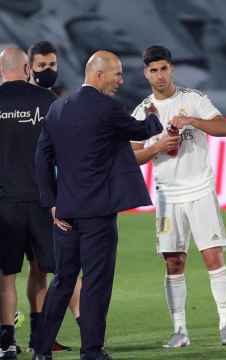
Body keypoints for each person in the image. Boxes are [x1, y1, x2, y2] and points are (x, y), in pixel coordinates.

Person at [32, 50, 162, 360]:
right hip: (99, 215)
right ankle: (91, 350)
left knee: (63, 280)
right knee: (95, 282)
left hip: (65, 213)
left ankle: (40, 350)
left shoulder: (58, 108)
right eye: (116, 74)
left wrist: (51, 203)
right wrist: (154, 115)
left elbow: (41, 158)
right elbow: (143, 131)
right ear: (98, 74)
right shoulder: (108, 108)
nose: (121, 80)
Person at [130, 45, 226, 348]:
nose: (160, 75)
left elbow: (222, 128)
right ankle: (180, 330)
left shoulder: (192, 99)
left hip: (200, 190)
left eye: (164, 68)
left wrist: (191, 120)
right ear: (146, 73)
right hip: (167, 195)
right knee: (173, 262)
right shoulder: (142, 111)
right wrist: (156, 147)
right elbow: (129, 152)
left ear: (171, 69)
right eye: (153, 70)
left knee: (212, 256)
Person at [0, 47, 57, 360]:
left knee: (5, 276)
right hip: (40, 200)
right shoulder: (47, 101)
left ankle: (6, 343)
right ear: (26, 67)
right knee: (41, 272)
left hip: (3, 203)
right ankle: (39, 341)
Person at [26, 40, 80, 353]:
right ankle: (86, 328)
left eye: (52, 65)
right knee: (61, 266)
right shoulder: (22, 104)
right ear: (28, 67)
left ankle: (41, 336)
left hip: (54, 197)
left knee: (43, 268)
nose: (48, 71)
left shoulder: (58, 103)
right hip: (32, 198)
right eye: (42, 66)